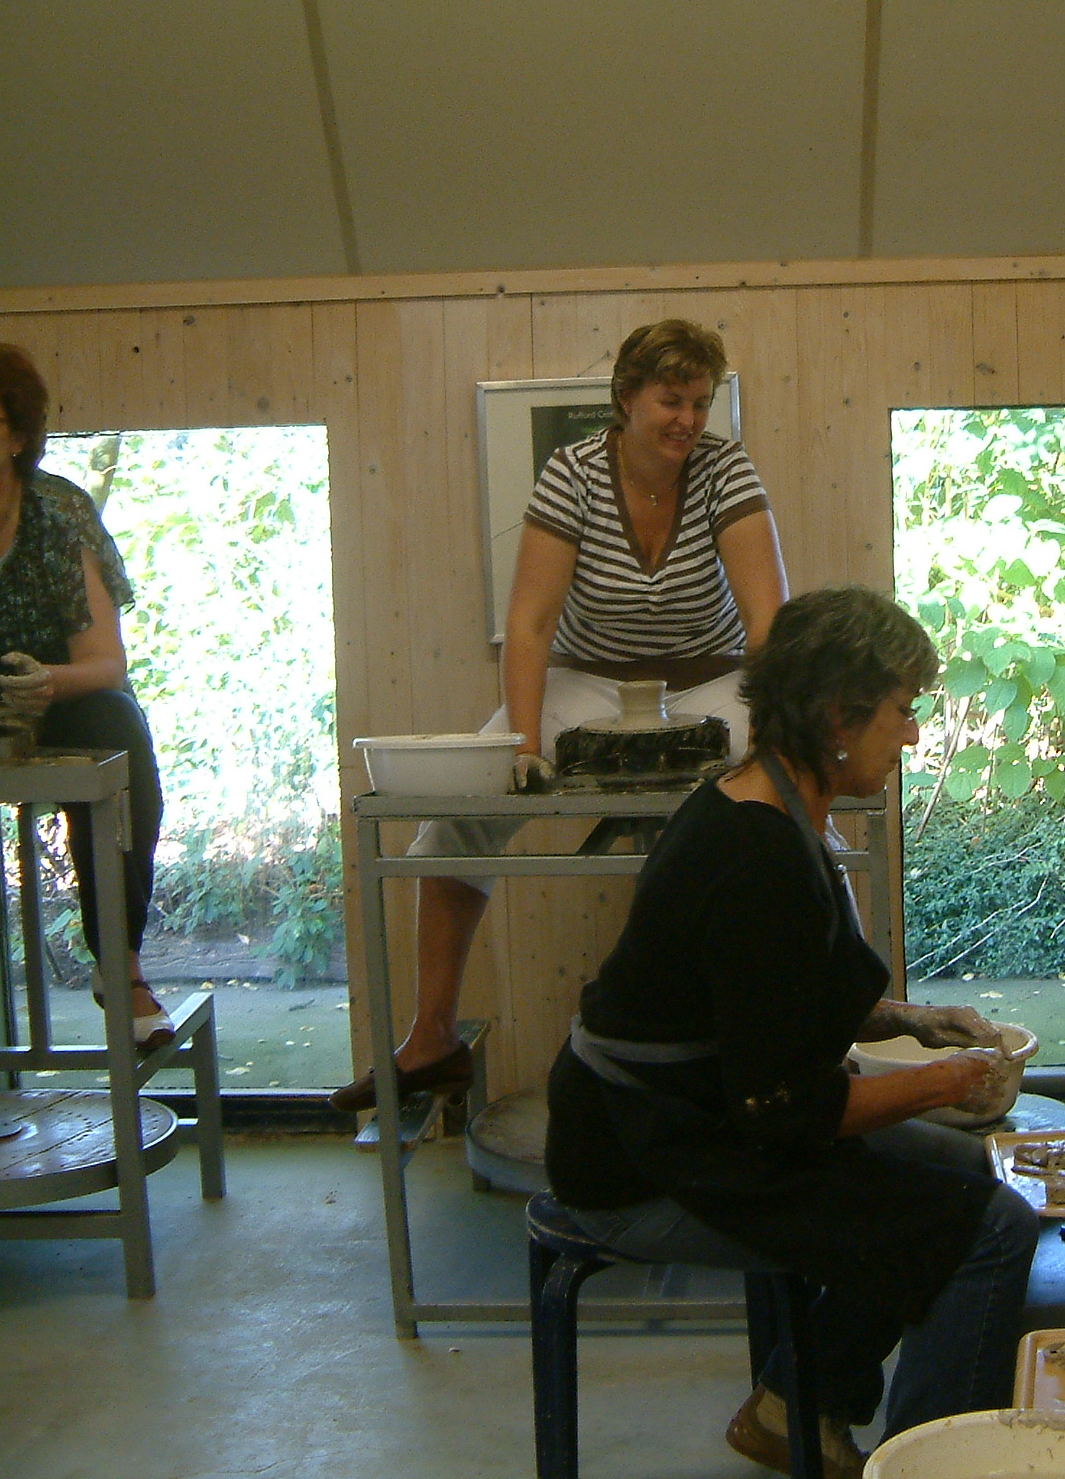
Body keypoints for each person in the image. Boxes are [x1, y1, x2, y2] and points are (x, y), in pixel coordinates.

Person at [544, 587, 1038, 1477]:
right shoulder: (755, 854)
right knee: (989, 1228)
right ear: (838, 717)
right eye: (901, 712)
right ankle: (929, 1466)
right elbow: (783, 1111)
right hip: (641, 1159)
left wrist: (912, 1021)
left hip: (695, 1117)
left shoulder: (764, 803)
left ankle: (795, 1406)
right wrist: (948, 1081)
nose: (913, 735)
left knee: (970, 1173)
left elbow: (765, 1001)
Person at [333, 319, 789, 1111]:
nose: (687, 420)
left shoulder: (726, 468)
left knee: (800, 805)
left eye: (699, 402)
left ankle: (825, 1034)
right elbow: (532, 623)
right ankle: (431, 1038)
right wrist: (520, 747)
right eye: (671, 401)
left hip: (710, 683)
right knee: (454, 818)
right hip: (591, 684)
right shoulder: (572, 473)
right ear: (626, 398)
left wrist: (782, 741)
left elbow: (767, 621)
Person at [0, 344, 170, 1050]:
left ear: (18, 435)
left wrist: (48, 682)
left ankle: (119, 964)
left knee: (118, 731)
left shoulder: (58, 511)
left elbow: (106, 663)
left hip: (58, 698)